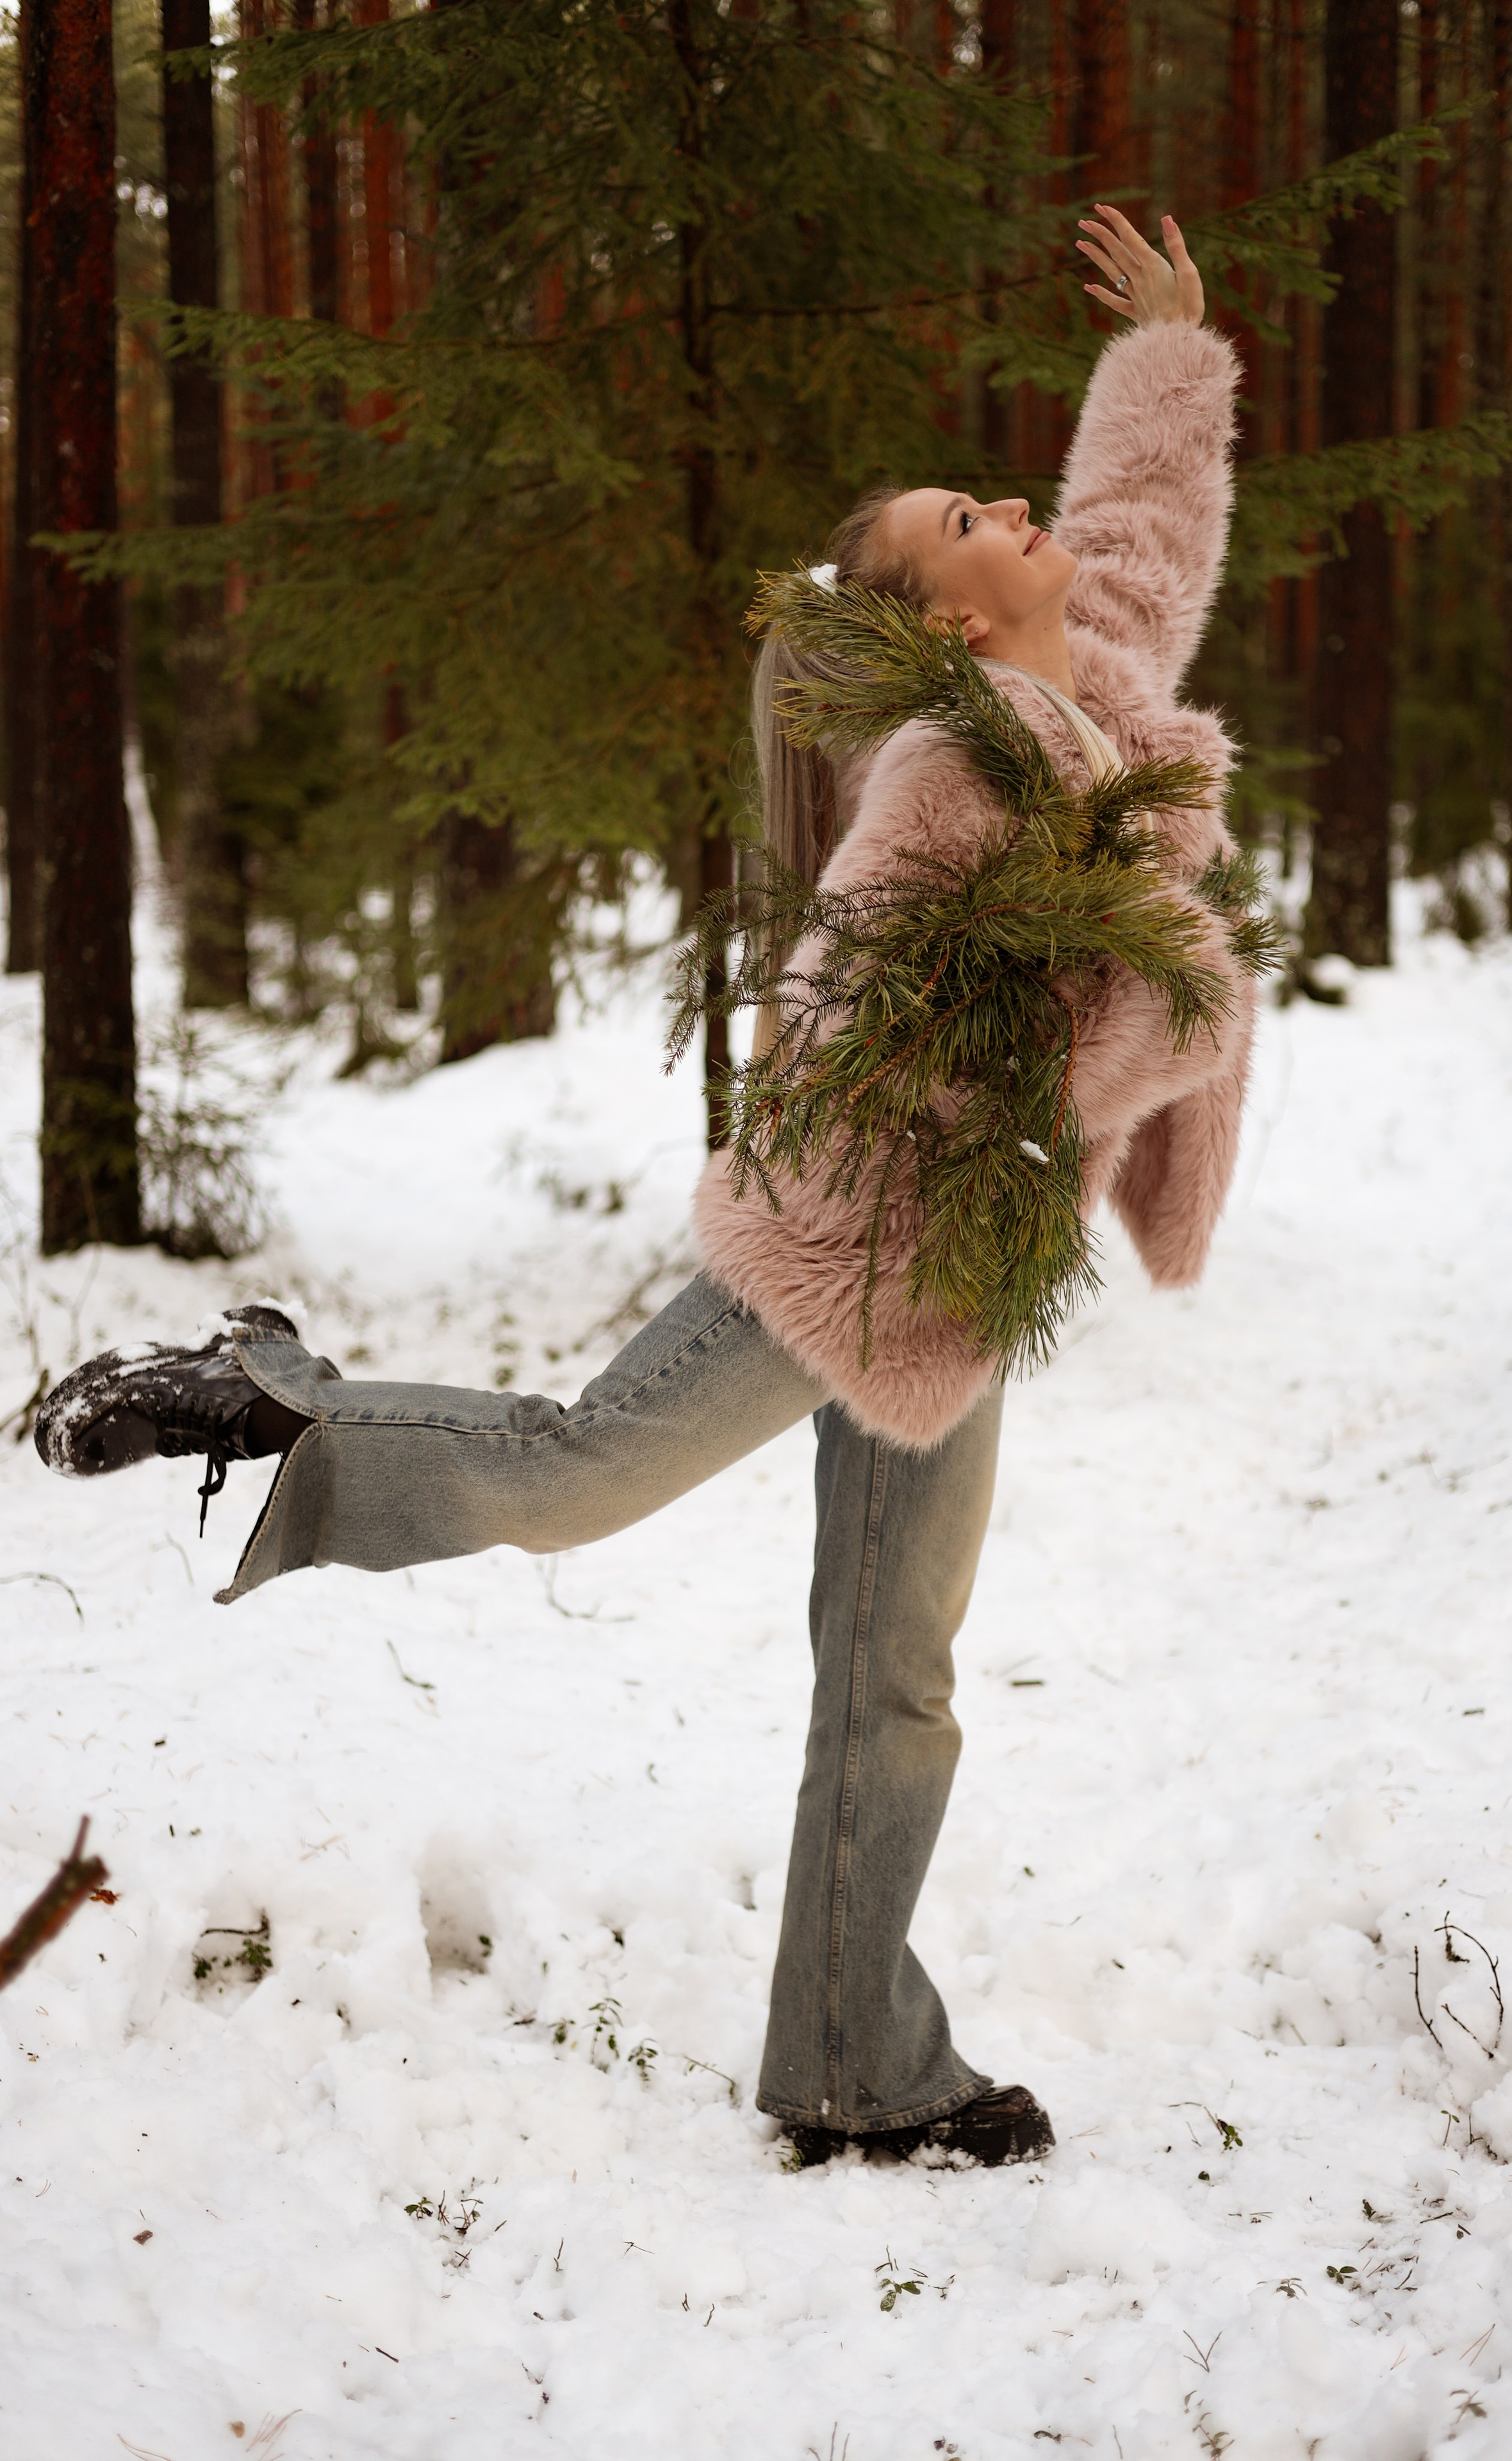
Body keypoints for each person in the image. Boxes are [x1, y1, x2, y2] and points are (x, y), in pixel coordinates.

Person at [35, 208, 1256, 2171]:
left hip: (961, 1269)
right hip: (862, 1233)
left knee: (897, 1672)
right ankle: (277, 1411)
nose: (1024, 510)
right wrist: (1158, 1026)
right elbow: (880, 1004)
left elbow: (1143, 533)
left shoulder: (1091, 665)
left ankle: (859, 2067)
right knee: (580, 1467)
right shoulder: (960, 771)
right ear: (947, 626)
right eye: (976, 518)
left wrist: (1173, 365)